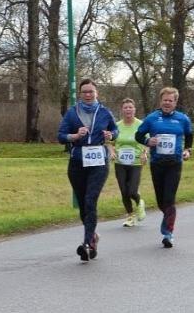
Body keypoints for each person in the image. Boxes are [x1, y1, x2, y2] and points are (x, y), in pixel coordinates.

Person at [57, 78, 118, 262]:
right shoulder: (72, 113)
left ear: (96, 93)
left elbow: (115, 131)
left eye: (91, 91)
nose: (88, 95)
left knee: (91, 200)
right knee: (83, 205)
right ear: (80, 94)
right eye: (85, 92)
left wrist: (110, 135)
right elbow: (60, 136)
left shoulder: (105, 112)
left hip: (99, 163)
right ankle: (93, 236)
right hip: (77, 163)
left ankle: (87, 245)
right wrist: (75, 136)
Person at [135, 87, 193, 248]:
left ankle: (168, 233)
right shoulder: (152, 118)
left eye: (170, 100)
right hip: (157, 163)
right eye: (165, 100)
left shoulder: (183, 119)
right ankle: (167, 221)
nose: (167, 103)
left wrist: (187, 150)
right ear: (160, 101)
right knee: (161, 201)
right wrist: (148, 141)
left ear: (175, 102)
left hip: (174, 163)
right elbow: (138, 135)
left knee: (169, 198)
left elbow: (189, 136)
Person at [108, 98, 147, 227]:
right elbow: (110, 142)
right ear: (122, 110)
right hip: (120, 162)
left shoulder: (140, 125)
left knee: (132, 191)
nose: (128, 110)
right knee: (124, 191)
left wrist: (144, 153)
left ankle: (139, 201)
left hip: (136, 162)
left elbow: (147, 141)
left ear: (134, 109)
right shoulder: (117, 126)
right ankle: (130, 216)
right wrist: (112, 151)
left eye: (130, 107)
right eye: (126, 107)